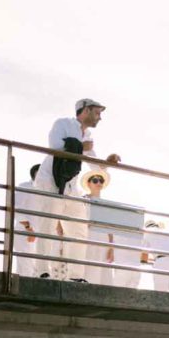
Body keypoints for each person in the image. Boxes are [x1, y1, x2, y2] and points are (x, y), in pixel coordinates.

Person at [33, 99, 121, 282]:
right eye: (97, 113)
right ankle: (42, 272)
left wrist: (108, 163)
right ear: (86, 110)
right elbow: (55, 146)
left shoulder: (87, 134)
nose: (100, 118)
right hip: (51, 181)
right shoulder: (63, 123)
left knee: (79, 229)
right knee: (47, 226)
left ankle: (75, 276)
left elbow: (93, 163)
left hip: (71, 187)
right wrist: (81, 147)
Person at [14, 164, 42, 277]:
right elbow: (17, 208)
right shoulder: (25, 186)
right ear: (34, 174)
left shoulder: (47, 190)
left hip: (39, 234)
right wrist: (28, 229)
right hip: (24, 232)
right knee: (25, 265)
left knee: (35, 268)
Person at [143, 220, 169, 292]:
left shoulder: (147, 233)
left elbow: (144, 254)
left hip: (162, 262)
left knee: (160, 292)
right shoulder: (166, 231)